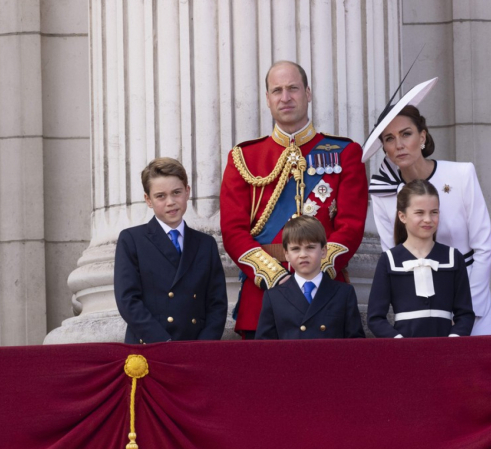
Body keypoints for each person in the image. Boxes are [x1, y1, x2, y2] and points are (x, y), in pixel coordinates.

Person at [219, 61, 367, 339]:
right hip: (263, 297)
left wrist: (312, 274)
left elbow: (351, 225)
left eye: (293, 89)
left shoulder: (345, 152)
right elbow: (232, 231)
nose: (285, 97)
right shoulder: (243, 158)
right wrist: (276, 277)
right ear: (267, 99)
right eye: (277, 90)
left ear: (308, 93)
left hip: (326, 297)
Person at [362, 77, 491, 335]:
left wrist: (469, 309)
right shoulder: (383, 192)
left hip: (470, 299)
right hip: (420, 312)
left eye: (406, 134)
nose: (399, 145)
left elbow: (484, 247)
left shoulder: (462, 174)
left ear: (422, 136)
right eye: (389, 139)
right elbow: (392, 253)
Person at [114, 157, 228, 343]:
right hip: (150, 346)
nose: (170, 202)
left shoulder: (205, 244)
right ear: (148, 200)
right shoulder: (132, 240)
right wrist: (163, 343)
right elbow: (128, 301)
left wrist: (203, 346)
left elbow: (217, 303)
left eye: (176, 192)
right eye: (160, 196)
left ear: (187, 192)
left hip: (195, 350)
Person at [367, 180, 474, 338]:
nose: (428, 219)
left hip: (446, 351)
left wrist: (454, 339)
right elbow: (375, 318)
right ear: (402, 216)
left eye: (434, 212)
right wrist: (398, 341)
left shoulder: (453, 257)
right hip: (404, 352)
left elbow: (465, 313)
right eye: (419, 213)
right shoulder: (389, 259)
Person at [255, 216, 365, 339]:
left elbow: (355, 343)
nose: (303, 255)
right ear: (286, 254)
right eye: (296, 249)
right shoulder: (274, 296)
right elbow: (264, 347)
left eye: (310, 247)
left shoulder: (344, 293)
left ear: (323, 251)